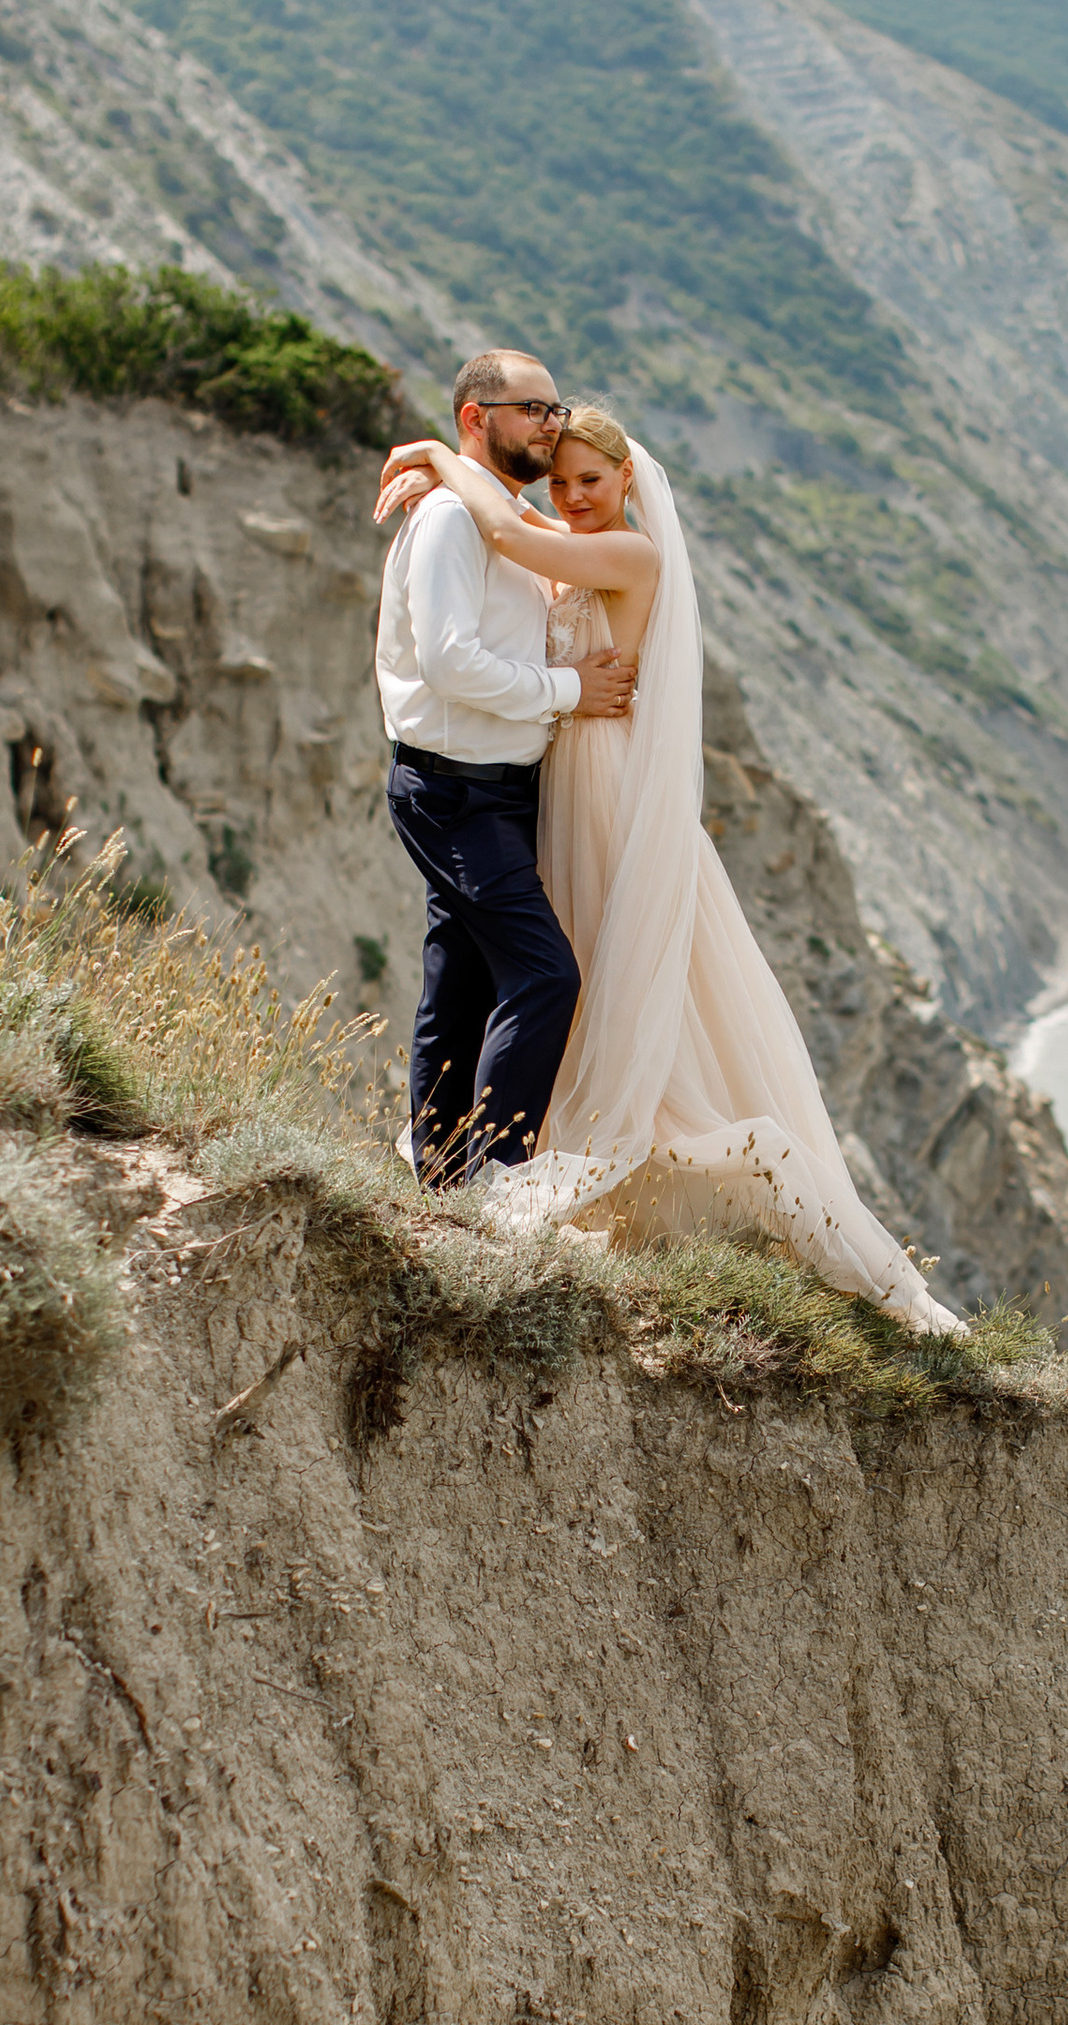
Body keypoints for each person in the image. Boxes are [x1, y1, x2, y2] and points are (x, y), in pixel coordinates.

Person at [376, 403, 962, 1335]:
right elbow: (512, 522)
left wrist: (443, 458)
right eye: (560, 481)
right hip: (559, 777)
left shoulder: (630, 554)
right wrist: (457, 470)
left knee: (587, 965)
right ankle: (470, 1163)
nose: (569, 497)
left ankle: (504, 1170)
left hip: (603, 784)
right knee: (539, 965)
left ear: (628, 483)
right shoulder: (570, 535)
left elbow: (498, 522)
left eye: (590, 483)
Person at [374, 351, 634, 1183]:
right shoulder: (453, 520)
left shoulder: (504, 521)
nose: (550, 428)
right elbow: (449, 663)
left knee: (458, 987)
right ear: (475, 418)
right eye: (532, 409)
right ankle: (497, 1177)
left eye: (555, 410)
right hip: (455, 788)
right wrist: (570, 690)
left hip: (501, 790)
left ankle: (439, 1172)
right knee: (545, 975)